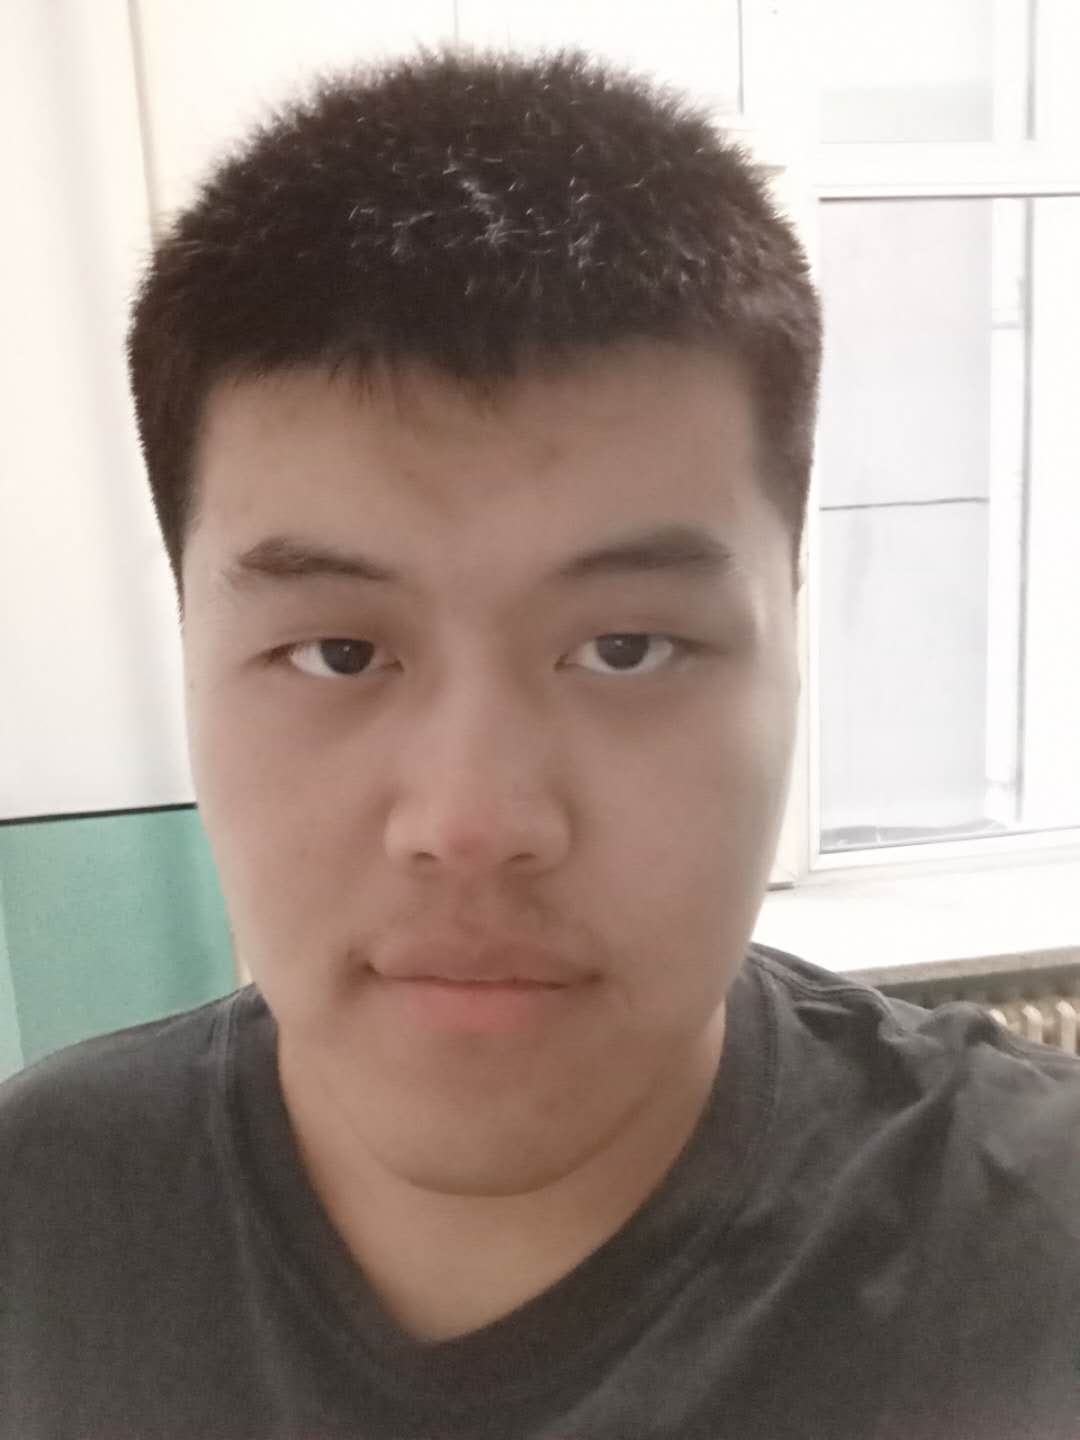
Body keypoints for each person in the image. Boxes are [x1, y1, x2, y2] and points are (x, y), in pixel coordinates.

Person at [1, 48, 1078, 1440]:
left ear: (792, 634)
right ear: (191, 649)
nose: (474, 819)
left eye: (626, 647)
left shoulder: (1036, 1253)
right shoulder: (38, 1225)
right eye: (338, 653)